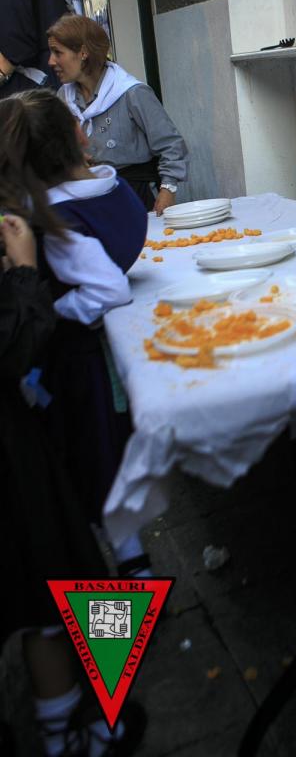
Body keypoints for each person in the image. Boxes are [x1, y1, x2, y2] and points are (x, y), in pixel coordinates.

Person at [0, 211, 146, 756]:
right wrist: (23, 272)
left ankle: (69, 723)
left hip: (28, 436)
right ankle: (95, 723)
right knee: (59, 580)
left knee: (43, 590)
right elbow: (16, 343)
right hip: (16, 457)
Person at [0, 89, 151, 578]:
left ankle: (128, 579)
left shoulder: (56, 220)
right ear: (76, 137)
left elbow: (108, 288)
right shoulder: (112, 187)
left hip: (75, 368)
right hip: (92, 359)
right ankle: (128, 569)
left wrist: (52, 306)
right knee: (104, 462)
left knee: (91, 464)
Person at [47, 13, 188, 214]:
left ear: (83, 53)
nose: (51, 61)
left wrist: (168, 189)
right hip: (88, 198)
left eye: (57, 52)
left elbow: (171, 145)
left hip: (134, 196)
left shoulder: (131, 93)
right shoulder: (63, 97)